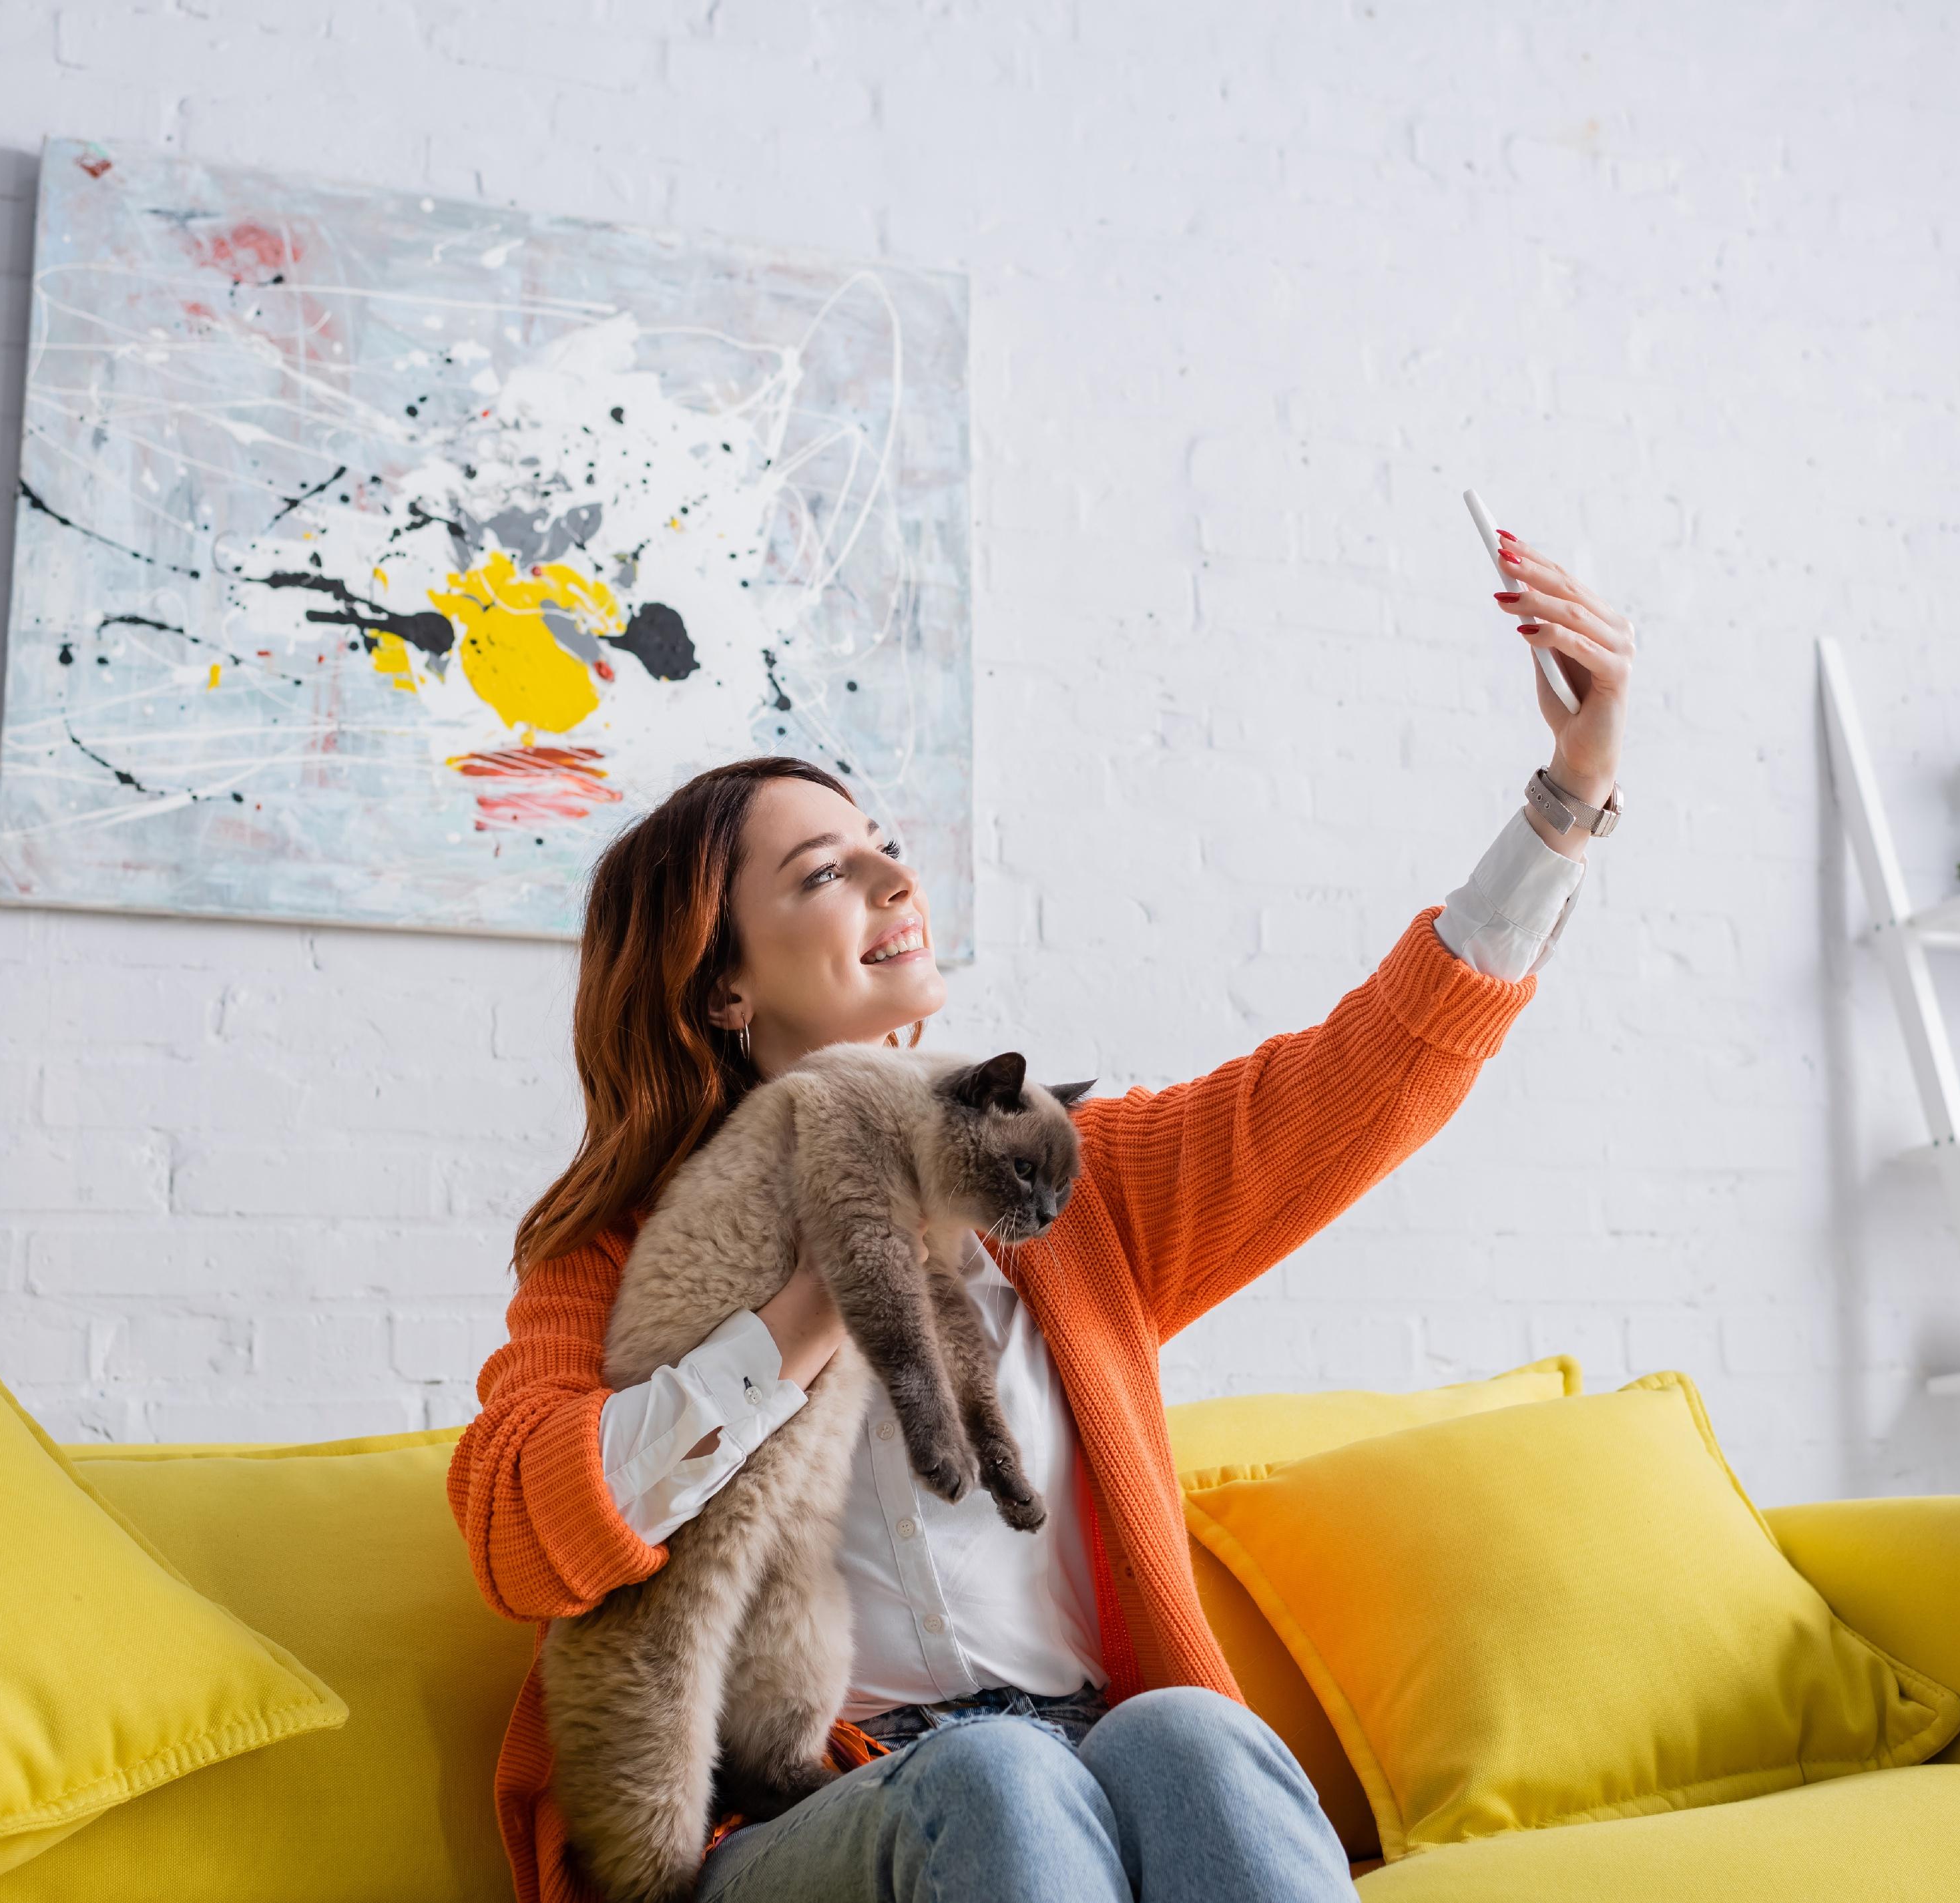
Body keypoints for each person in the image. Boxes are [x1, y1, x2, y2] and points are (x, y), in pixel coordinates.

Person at [449, 532, 1638, 1902]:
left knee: (1190, 1732)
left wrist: (1571, 795)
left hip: (1089, 1767)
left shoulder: (1066, 1190)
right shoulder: (605, 1258)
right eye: (825, 875)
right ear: (723, 990)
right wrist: (821, 1293)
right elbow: (518, 1537)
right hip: (795, 1826)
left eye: (886, 849)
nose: (899, 882)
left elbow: (1369, 1073)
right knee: (996, 1778)